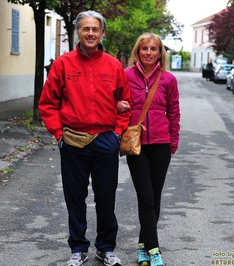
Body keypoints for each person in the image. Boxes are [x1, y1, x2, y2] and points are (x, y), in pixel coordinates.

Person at [38, 10, 131, 266]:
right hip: (73, 141)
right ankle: (78, 248)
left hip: (105, 140)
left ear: (102, 33)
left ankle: (105, 248)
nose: (90, 33)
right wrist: (59, 134)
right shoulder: (63, 64)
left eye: (95, 29)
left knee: (106, 197)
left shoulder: (113, 66)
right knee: (75, 197)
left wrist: (118, 133)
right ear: (78, 32)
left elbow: (126, 103)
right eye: (85, 29)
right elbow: (48, 103)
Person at [118, 33, 180, 266]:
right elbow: (115, 105)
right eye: (144, 48)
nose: (149, 53)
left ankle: (143, 245)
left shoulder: (168, 80)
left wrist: (173, 142)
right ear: (138, 51)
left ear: (159, 53)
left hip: (161, 145)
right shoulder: (125, 76)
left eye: (154, 49)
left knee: (154, 198)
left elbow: (174, 112)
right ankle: (154, 250)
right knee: (145, 197)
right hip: (137, 145)